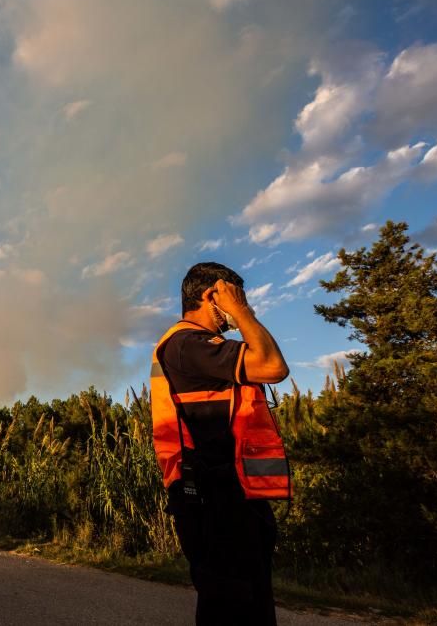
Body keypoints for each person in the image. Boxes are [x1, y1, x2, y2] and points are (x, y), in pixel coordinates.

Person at [150, 262, 290, 625]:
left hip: (232, 495)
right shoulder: (186, 344)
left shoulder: (204, 347)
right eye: (237, 296)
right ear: (214, 295)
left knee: (249, 607)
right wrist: (242, 312)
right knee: (231, 608)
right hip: (212, 497)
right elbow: (273, 366)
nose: (242, 305)